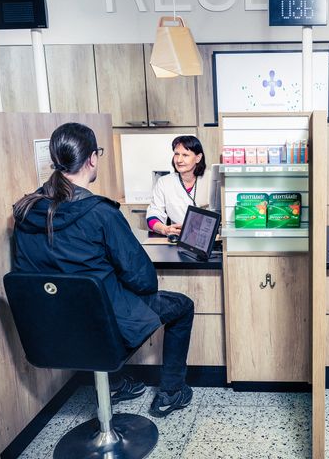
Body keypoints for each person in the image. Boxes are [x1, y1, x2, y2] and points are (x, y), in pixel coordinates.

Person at [12, 123, 195, 418]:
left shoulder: (26, 210)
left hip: (51, 326)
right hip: (102, 324)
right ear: (92, 159)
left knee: (93, 306)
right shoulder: (101, 213)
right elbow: (144, 280)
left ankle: (116, 383)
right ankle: (171, 393)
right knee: (182, 306)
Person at [146, 135, 207, 237]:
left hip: (206, 237)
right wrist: (164, 229)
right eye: (176, 154)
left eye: (185, 155)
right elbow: (153, 214)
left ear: (198, 158)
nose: (179, 160)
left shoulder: (209, 180)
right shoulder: (164, 182)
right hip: (179, 237)